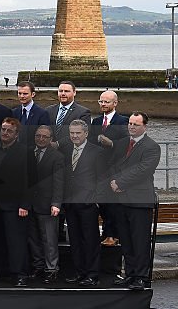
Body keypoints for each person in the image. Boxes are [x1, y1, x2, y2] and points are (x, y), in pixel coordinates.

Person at [106, 112, 161, 290]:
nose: (131, 127)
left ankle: (141, 276)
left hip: (139, 201)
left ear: (145, 126)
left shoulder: (152, 146)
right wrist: (113, 182)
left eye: (136, 124)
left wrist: (120, 182)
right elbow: (112, 164)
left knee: (140, 241)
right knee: (126, 240)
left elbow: (143, 170)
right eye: (130, 123)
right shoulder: (122, 144)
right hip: (121, 200)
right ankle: (129, 274)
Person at [61, 120, 105, 286]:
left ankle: (92, 275)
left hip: (88, 204)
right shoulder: (65, 150)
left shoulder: (97, 152)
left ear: (86, 133)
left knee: (90, 240)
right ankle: (80, 273)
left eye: (78, 133)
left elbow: (102, 178)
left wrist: (96, 201)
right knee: (75, 240)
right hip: (70, 204)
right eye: (72, 133)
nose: (74, 136)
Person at [0, 118, 31, 287]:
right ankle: (2, 270)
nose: (5, 133)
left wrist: (25, 204)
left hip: (16, 206)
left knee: (16, 241)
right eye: (3, 129)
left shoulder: (25, 152)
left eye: (9, 131)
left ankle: (20, 273)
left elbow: (30, 181)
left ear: (16, 134)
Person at [89, 90, 128, 247]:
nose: (103, 104)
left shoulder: (123, 121)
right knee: (102, 203)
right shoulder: (96, 122)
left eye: (106, 102)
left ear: (115, 103)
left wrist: (111, 144)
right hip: (99, 170)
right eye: (101, 101)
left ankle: (113, 235)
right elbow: (90, 141)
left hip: (115, 170)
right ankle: (106, 233)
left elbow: (127, 144)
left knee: (114, 204)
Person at [28, 125, 65, 283]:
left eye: (44, 137)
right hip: (29, 205)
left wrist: (56, 203)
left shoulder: (57, 157)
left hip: (48, 204)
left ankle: (51, 269)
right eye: (38, 136)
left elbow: (59, 182)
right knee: (33, 238)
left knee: (49, 239)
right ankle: (38, 266)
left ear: (51, 139)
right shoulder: (29, 153)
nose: (41, 139)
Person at [12, 81, 51, 146]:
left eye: (25, 94)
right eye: (19, 93)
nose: (22, 96)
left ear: (33, 94)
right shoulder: (14, 112)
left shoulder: (42, 114)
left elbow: (45, 136)